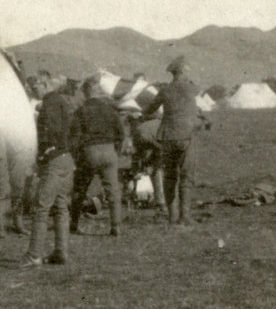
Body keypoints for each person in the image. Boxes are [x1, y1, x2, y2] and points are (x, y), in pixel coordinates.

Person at [142, 55, 208, 225]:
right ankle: (184, 216)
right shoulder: (191, 88)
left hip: (167, 137)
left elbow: (148, 110)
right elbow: (197, 90)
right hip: (187, 136)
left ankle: (172, 216)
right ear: (183, 71)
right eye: (187, 70)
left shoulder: (165, 90)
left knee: (169, 177)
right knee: (186, 176)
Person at [20, 82, 77, 267]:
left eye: (35, 88)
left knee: (41, 208)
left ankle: (34, 255)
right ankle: (61, 252)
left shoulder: (50, 103)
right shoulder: (61, 102)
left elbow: (50, 130)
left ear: (44, 84)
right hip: (66, 159)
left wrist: (44, 153)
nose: (34, 91)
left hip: (54, 161)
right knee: (61, 207)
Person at [69, 77, 128, 236]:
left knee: (80, 189)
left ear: (86, 92)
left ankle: (73, 223)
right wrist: (116, 150)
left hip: (89, 151)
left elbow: (74, 136)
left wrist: (76, 156)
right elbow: (121, 134)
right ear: (98, 91)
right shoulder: (110, 109)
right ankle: (116, 226)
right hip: (109, 150)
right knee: (113, 191)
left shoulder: (81, 111)